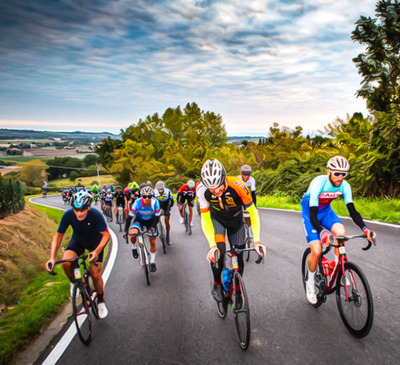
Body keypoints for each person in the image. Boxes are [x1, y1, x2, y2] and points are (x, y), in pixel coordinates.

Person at [301, 156, 377, 305]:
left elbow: (353, 212)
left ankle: (339, 269)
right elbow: (313, 214)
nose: (340, 177)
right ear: (328, 171)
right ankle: (310, 283)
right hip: (311, 213)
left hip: (327, 212)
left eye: (344, 174)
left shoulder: (345, 186)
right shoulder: (319, 183)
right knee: (316, 250)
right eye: (337, 173)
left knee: (340, 233)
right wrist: (322, 232)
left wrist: (365, 229)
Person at [197, 159, 267, 304]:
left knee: (239, 256)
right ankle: (217, 284)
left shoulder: (238, 185)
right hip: (217, 222)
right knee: (219, 252)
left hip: (236, 222)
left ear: (224, 178)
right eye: (212, 189)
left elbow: (253, 212)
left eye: (218, 186)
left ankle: (238, 289)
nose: (216, 192)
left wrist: (257, 241)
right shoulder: (201, 190)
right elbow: (205, 219)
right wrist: (212, 246)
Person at [45, 190, 110, 319]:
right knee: (66, 262)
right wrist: (52, 258)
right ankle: (75, 283)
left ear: (89, 207)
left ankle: (101, 300)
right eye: (76, 209)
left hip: (95, 243)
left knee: (95, 274)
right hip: (78, 241)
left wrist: (96, 251)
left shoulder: (96, 215)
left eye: (83, 210)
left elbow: (106, 235)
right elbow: (58, 237)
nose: (79, 213)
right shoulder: (68, 215)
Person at [125, 185, 161, 272]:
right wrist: (126, 231)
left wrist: (152, 227)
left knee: (152, 240)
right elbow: (129, 218)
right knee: (133, 233)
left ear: (152, 196)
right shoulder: (137, 203)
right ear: (141, 196)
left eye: (149, 196)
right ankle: (134, 247)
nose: (147, 198)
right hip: (139, 220)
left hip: (151, 221)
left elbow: (157, 217)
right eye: (145, 196)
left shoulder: (155, 202)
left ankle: (152, 261)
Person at [154, 180, 174, 245]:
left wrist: (170, 207)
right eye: (159, 190)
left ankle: (167, 235)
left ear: (164, 188)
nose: (160, 192)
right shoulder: (154, 192)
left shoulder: (168, 191)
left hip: (166, 205)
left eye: (161, 190)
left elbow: (172, 201)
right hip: (158, 205)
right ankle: (156, 229)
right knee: (155, 217)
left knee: (166, 219)